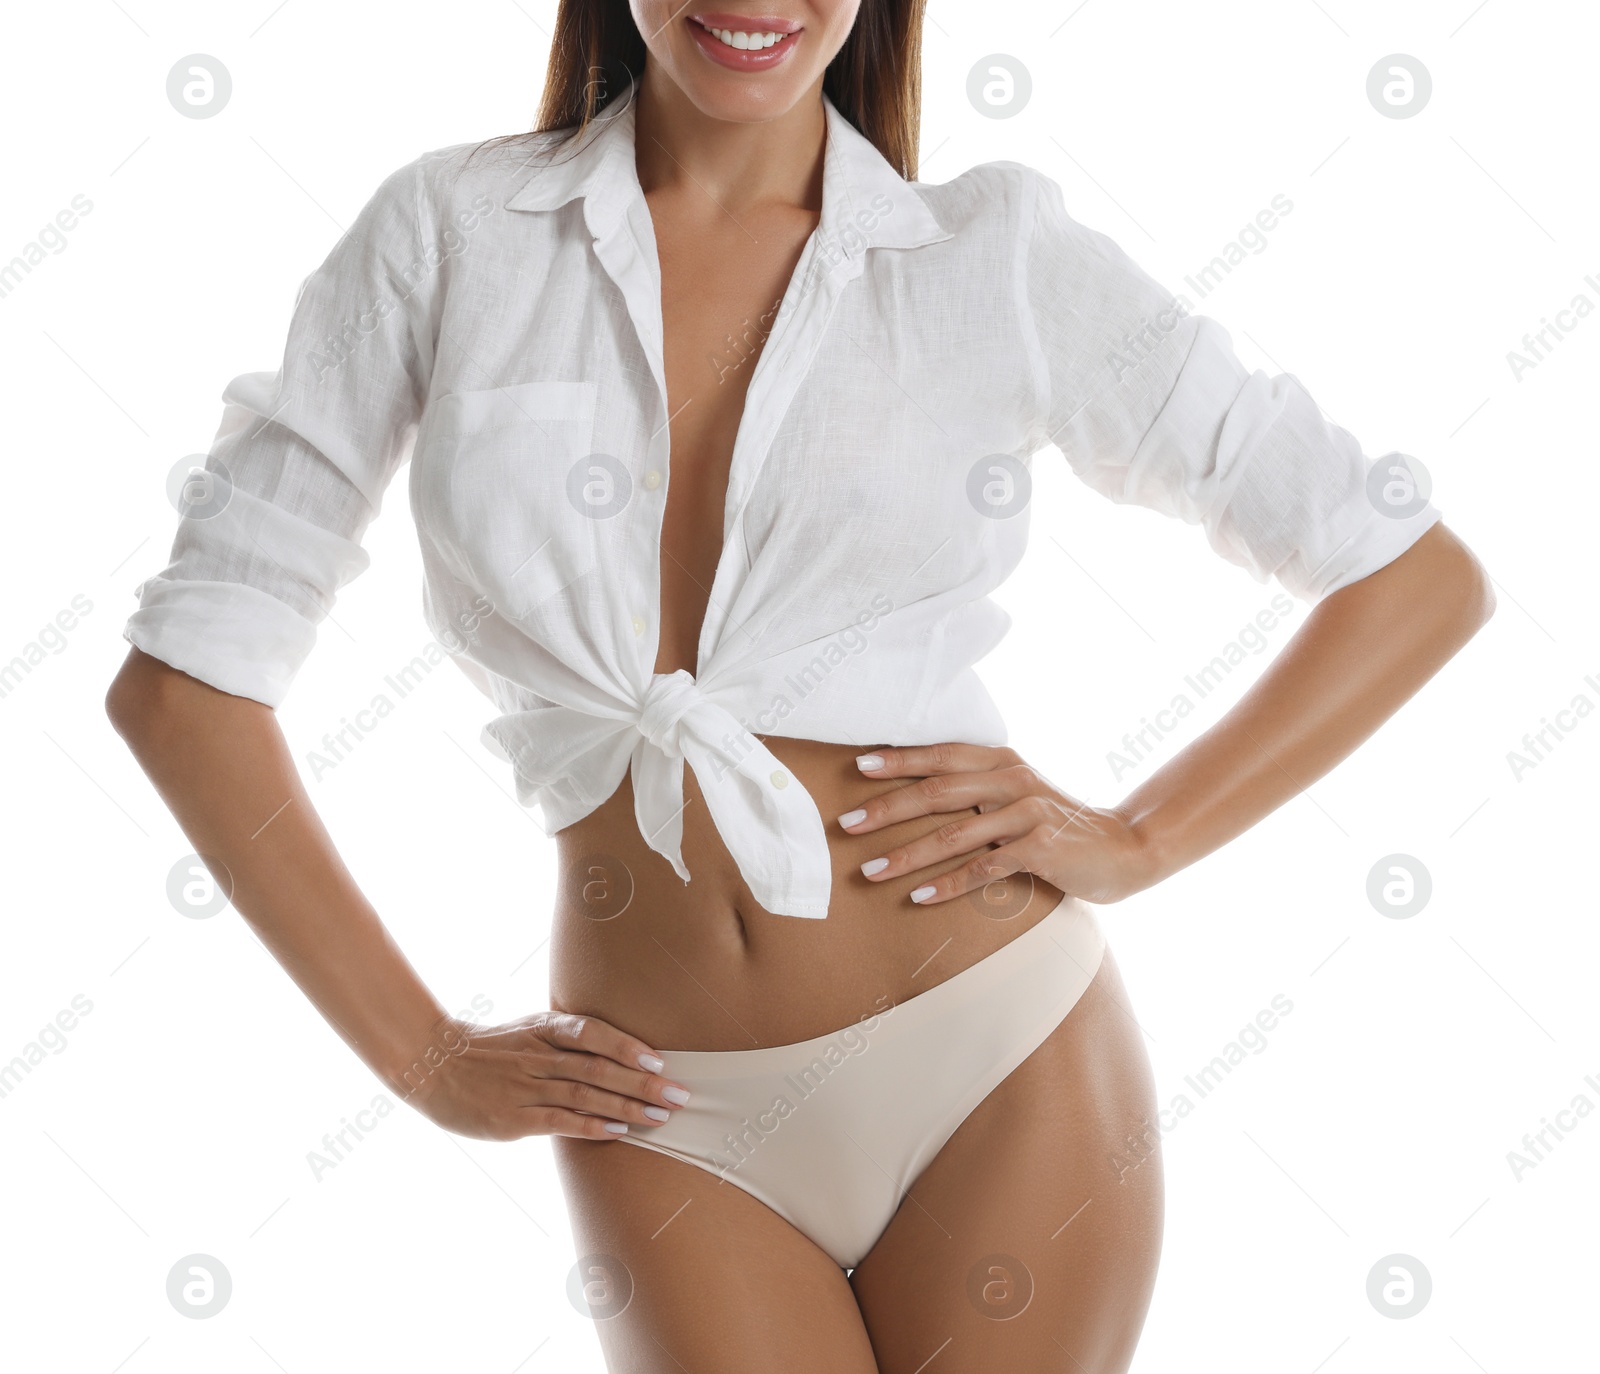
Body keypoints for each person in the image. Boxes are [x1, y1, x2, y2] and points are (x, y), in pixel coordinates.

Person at [105, 3, 1495, 1370]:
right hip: (664, 1106)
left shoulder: (990, 255)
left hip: (994, 1049)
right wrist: (422, 1054)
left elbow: (1411, 578)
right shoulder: (447, 236)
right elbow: (187, 687)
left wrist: (1134, 839)